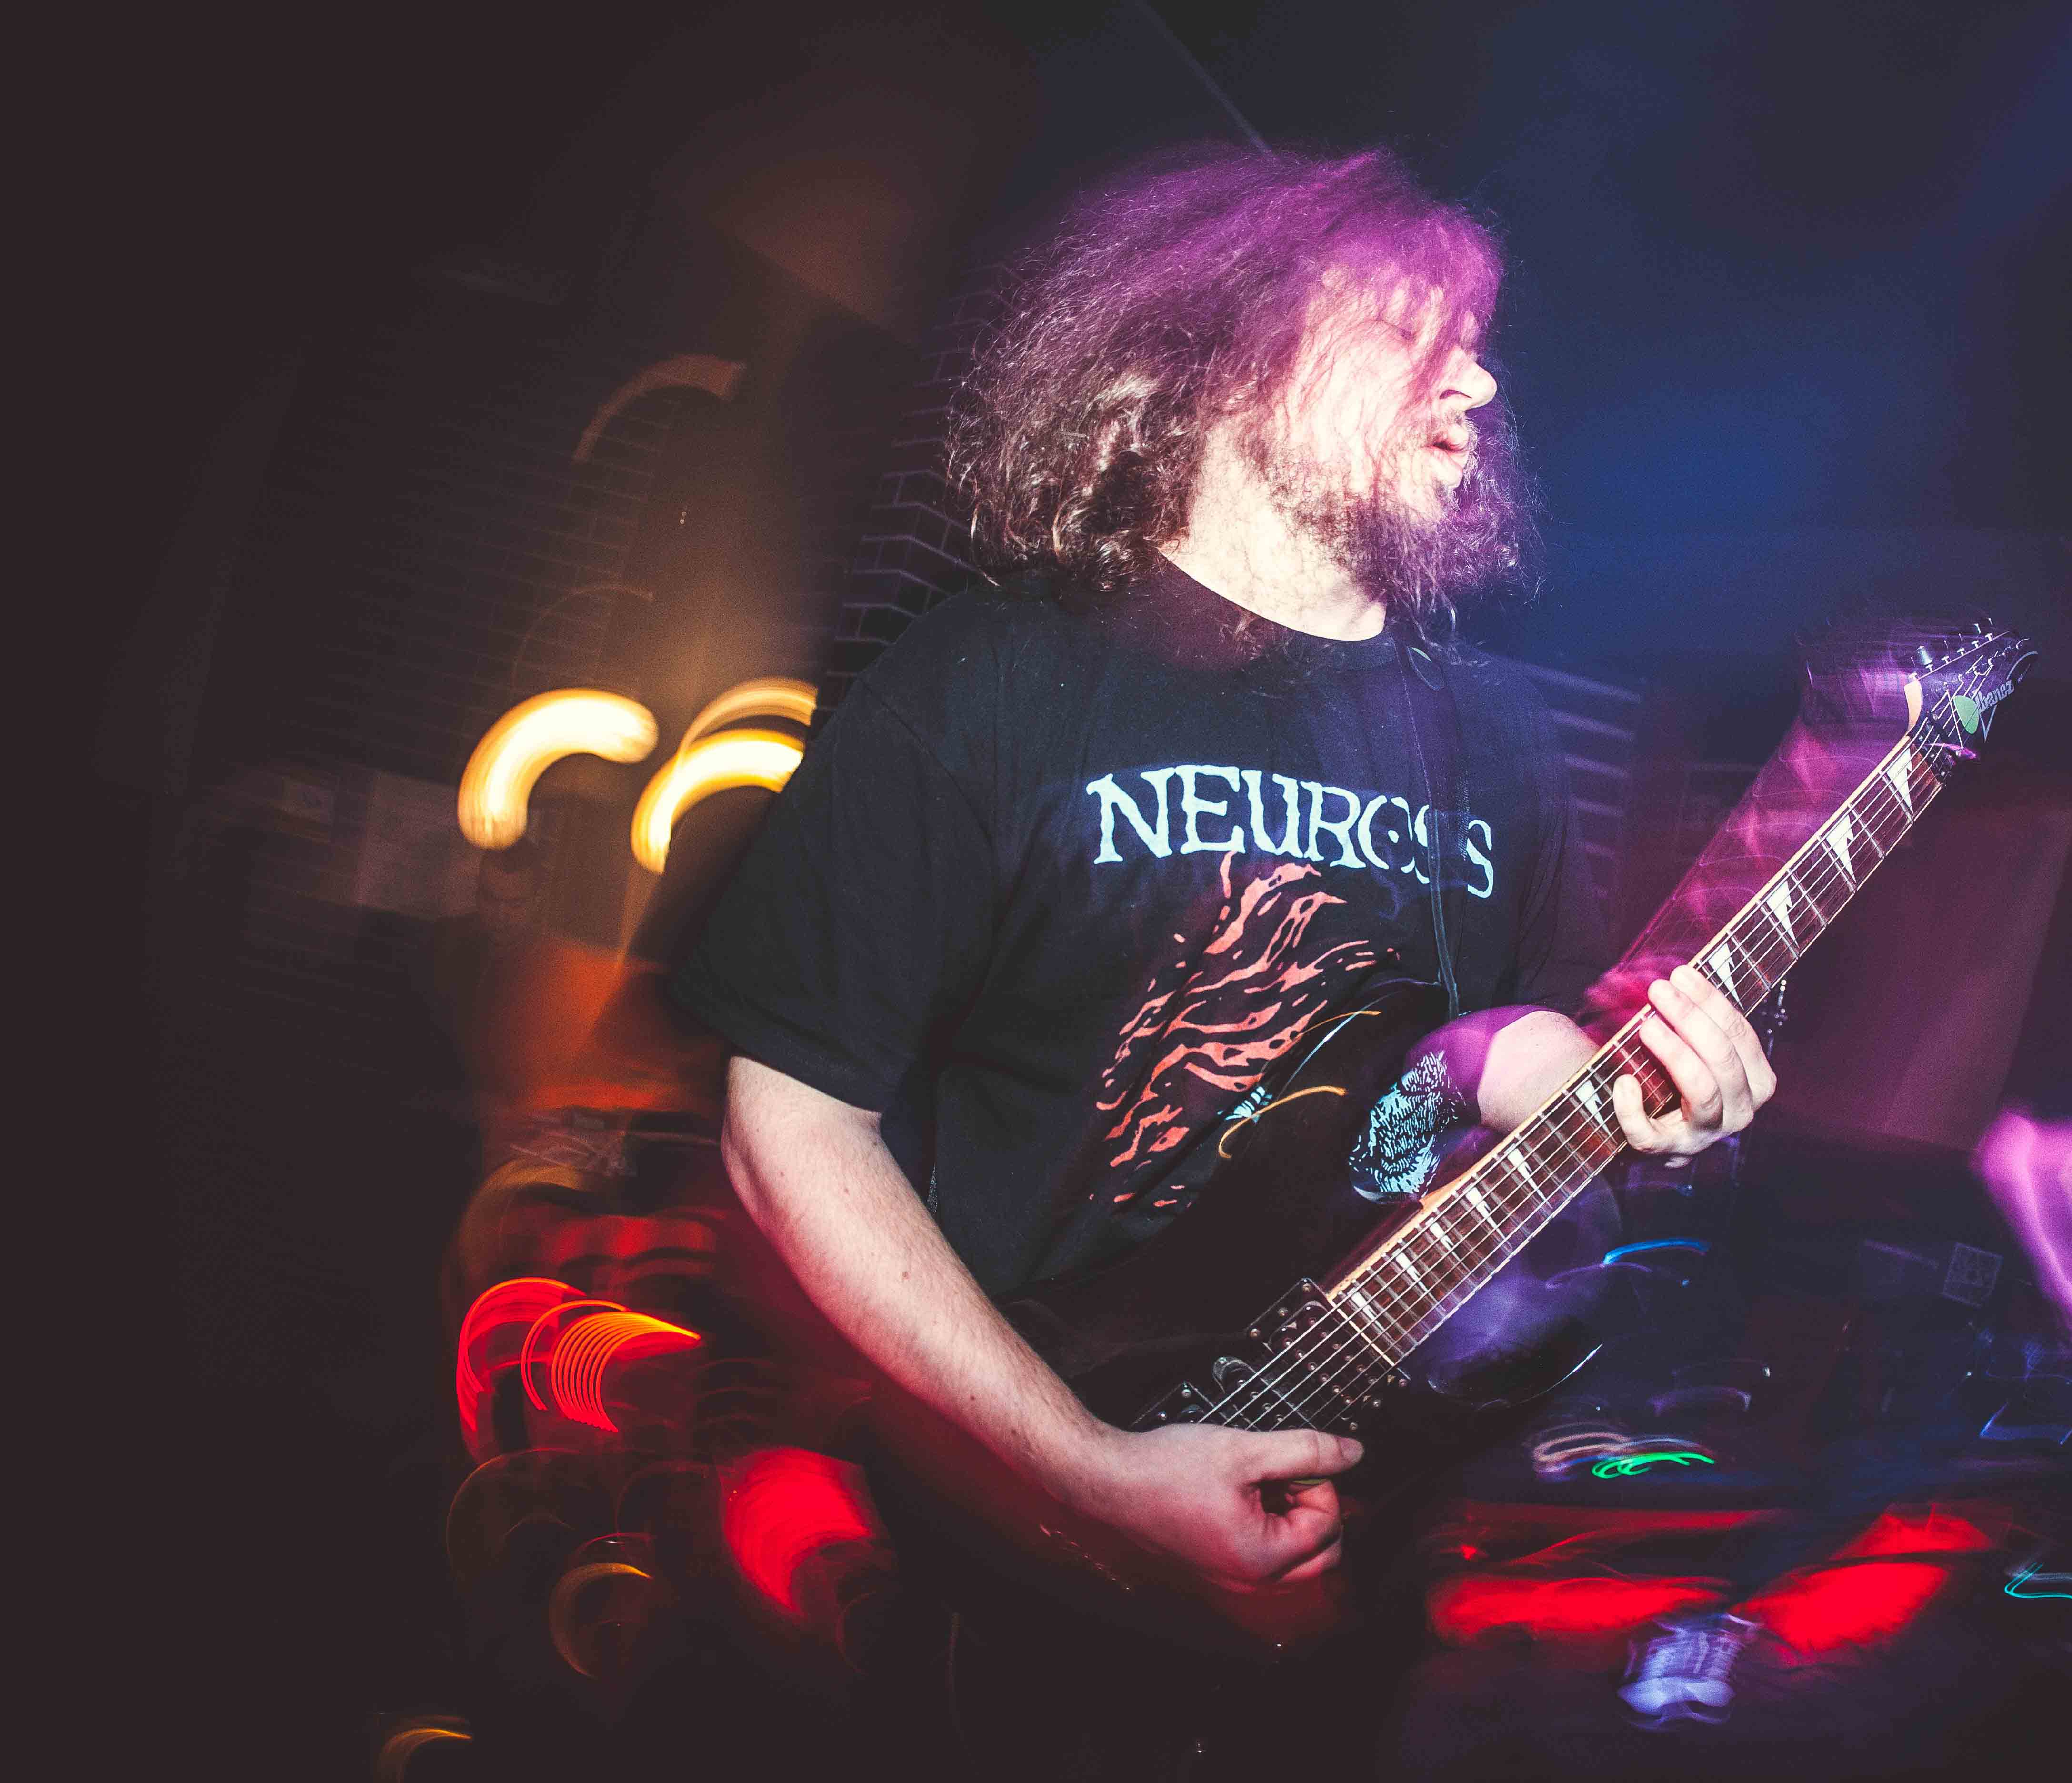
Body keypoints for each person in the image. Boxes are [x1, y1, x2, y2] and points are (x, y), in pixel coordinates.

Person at [671, 148, 1776, 1631]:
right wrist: (1088, 1470)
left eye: (1481, 340)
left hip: (1353, 1547)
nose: (1477, 381)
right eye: (1410, 326)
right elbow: (791, 1124)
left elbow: (1473, 1057)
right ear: (1226, 357)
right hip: (1012, 1544)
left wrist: (1632, 1097)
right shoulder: (993, 680)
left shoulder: (1502, 736)